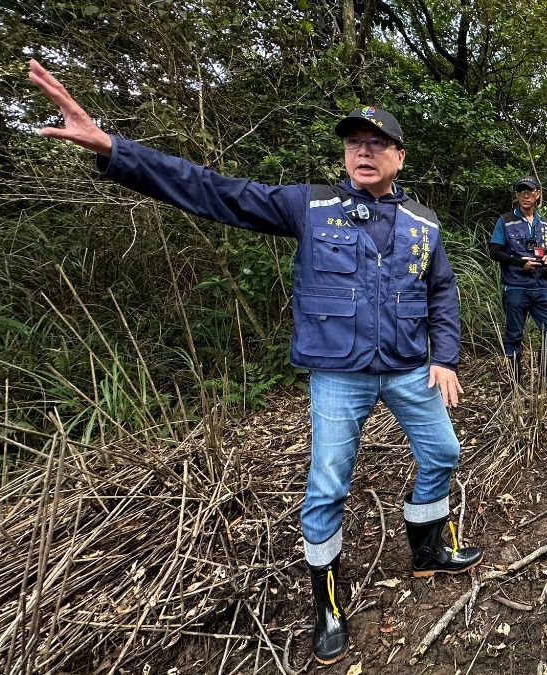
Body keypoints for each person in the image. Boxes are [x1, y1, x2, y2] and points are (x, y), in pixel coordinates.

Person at [26, 60, 483, 665]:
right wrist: (112, 147)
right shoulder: (310, 207)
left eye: (376, 144)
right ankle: (327, 605)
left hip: (407, 367)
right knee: (327, 485)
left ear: (399, 157)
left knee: (444, 453)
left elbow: (441, 291)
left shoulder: (424, 222)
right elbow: (213, 190)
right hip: (338, 374)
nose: (363, 153)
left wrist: (445, 357)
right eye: (353, 144)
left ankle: (427, 550)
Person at [487, 175, 547, 393]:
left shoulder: (545, 224)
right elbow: (494, 251)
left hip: (541, 287)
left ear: (538, 194)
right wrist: (518, 262)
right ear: (517, 195)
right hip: (515, 286)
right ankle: (515, 384)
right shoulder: (505, 220)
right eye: (521, 191)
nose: (525, 195)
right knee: (514, 335)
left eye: (530, 191)